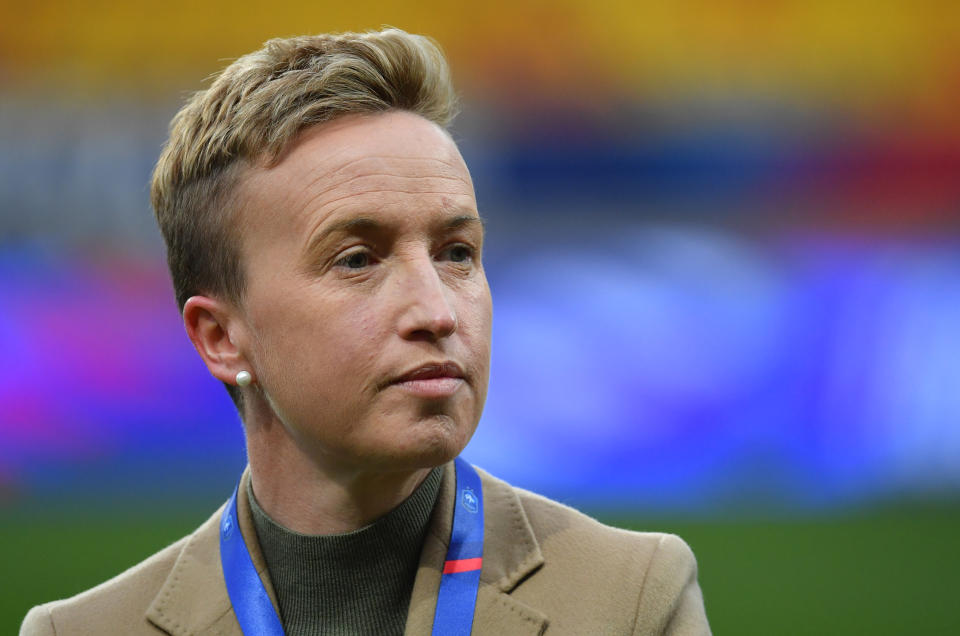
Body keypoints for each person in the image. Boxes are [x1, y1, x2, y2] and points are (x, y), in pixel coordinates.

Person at [20, 28, 710, 635]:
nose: (437, 311)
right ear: (220, 338)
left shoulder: (633, 600)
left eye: (457, 253)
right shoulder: (77, 632)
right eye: (357, 260)